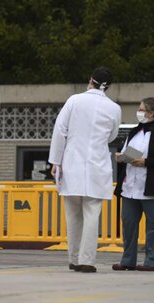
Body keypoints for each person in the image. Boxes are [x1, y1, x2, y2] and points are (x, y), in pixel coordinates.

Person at [48, 66, 121, 273]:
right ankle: (87, 260)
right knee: (92, 215)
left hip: (72, 163)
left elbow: (60, 130)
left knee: (72, 215)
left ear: (91, 80)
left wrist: (56, 161)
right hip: (97, 164)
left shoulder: (74, 100)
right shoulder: (114, 108)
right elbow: (112, 136)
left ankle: (73, 258)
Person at [112, 97, 154, 272]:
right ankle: (128, 261)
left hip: (151, 188)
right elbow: (128, 153)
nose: (139, 112)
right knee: (128, 224)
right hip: (130, 187)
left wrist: (146, 162)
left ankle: (153, 262)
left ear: (151, 112)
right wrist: (121, 157)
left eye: (141, 109)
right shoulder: (134, 132)